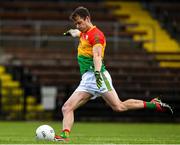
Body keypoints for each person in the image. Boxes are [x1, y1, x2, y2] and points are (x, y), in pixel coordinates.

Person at [54, 6, 173, 142]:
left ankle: (153, 104)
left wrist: (98, 73)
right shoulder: (84, 32)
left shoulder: (96, 35)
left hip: (98, 76)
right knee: (67, 107)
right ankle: (65, 136)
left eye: (79, 22)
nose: (78, 26)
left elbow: (97, 56)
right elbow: (78, 33)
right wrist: (71, 32)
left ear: (87, 19)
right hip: (87, 79)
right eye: (76, 23)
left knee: (119, 107)